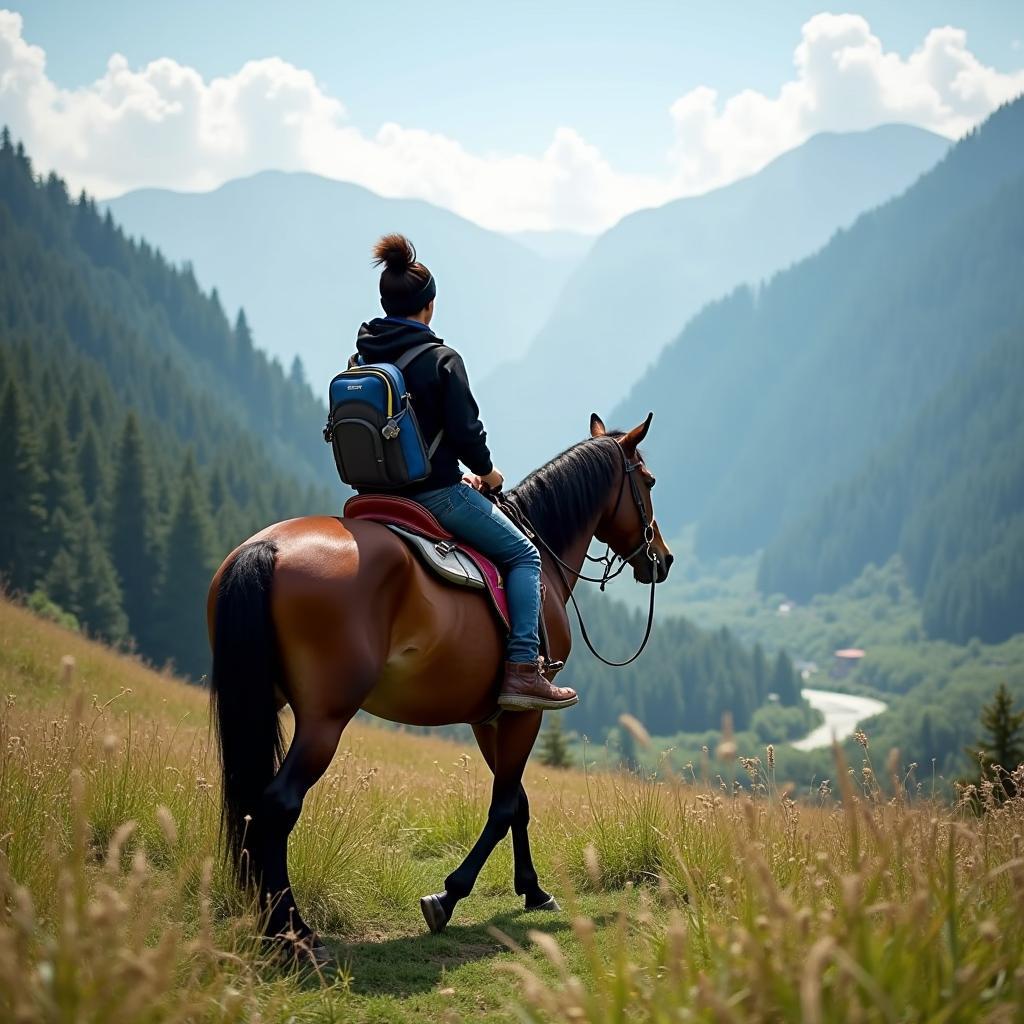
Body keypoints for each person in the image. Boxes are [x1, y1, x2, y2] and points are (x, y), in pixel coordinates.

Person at [350, 234, 577, 712]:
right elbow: (466, 433)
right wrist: (488, 475)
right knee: (524, 555)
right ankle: (521, 671)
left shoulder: (362, 357)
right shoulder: (440, 359)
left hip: (371, 497)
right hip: (434, 497)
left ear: (386, 303)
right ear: (428, 307)